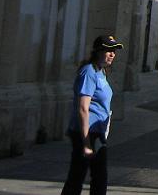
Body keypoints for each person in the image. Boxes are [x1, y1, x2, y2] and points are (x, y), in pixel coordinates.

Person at [61, 34, 122, 195]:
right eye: (108, 50)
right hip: (87, 133)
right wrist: (86, 142)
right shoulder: (89, 72)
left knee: (96, 177)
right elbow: (83, 108)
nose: (112, 54)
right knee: (80, 177)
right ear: (97, 51)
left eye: (114, 51)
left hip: (98, 132)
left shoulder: (101, 72)